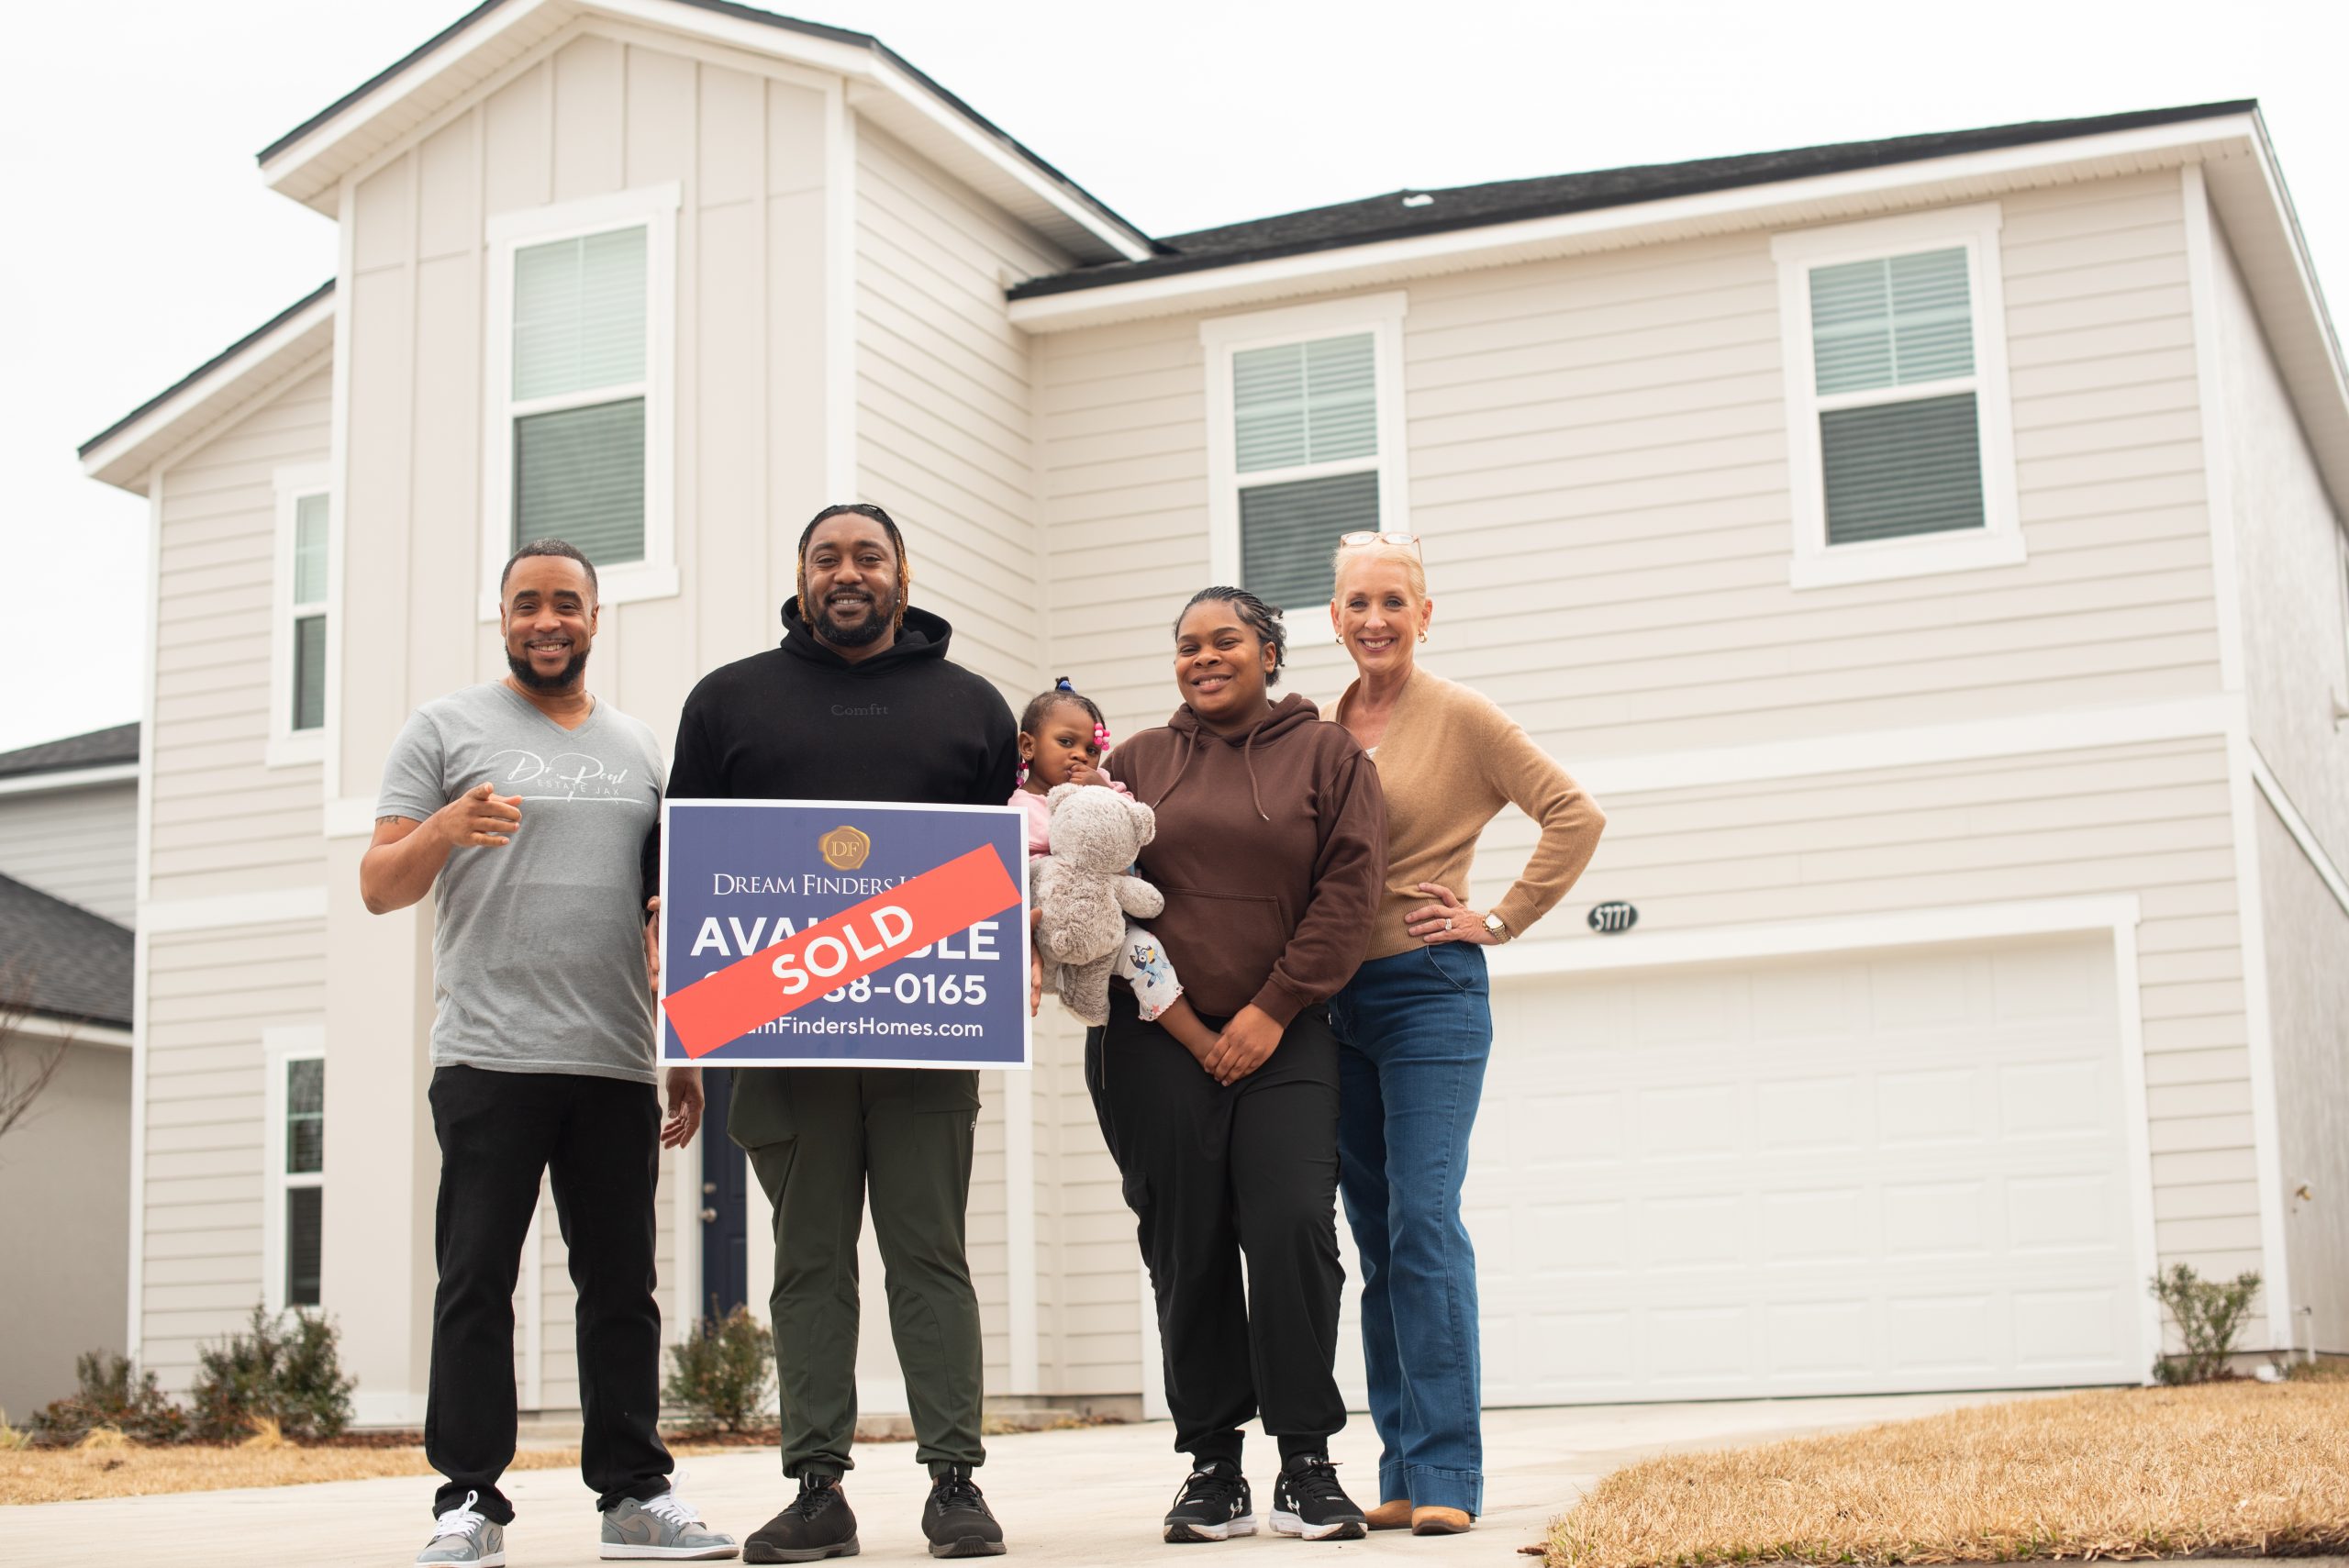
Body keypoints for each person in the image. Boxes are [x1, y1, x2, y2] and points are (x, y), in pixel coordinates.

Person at [362, 539, 735, 1566]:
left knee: (621, 1290)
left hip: (614, 1056)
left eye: (565, 602)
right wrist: (445, 824)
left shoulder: (639, 746)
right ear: (503, 617)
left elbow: (671, 907)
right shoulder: (443, 728)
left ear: (595, 617)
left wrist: (683, 1045)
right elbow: (380, 883)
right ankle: (468, 1502)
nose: (546, 620)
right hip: (487, 1055)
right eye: (527, 602)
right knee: (475, 1281)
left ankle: (635, 1497)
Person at [660, 503, 1019, 1564]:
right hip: (779, 1034)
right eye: (827, 557)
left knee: (929, 1254)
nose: (846, 572)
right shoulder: (727, 701)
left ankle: (954, 1482)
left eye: (868, 555)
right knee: (807, 1262)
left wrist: (1025, 942)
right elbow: (679, 874)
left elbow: (1012, 865)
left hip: (924, 1037)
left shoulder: (971, 706)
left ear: (901, 573)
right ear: (802, 574)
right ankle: (817, 1489)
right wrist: (685, 1036)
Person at [1088, 586, 1387, 1546]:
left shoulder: (1328, 754)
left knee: (1292, 1224)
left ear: (1269, 652)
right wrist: (1186, 1025)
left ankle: (1306, 1460)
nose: (1203, 657)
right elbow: (1093, 888)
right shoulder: (1136, 763)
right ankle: (1213, 1466)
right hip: (1152, 1034)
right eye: (1187, 645)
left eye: (1225, 641)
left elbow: (1350, 890)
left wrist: (1272, 1007)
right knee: (1188, 1241)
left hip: (1286, 1029)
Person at [1323, 531, 1607, 1536]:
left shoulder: (1462, 715)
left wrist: (1500, 916)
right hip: (1333, 1004)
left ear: (1425, 613)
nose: (1376, 619)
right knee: (1373, 1235)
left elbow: (1574, 814)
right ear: (1334, 618)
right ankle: (1402, 1467)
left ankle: (1448, 1468)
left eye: (1393, 601)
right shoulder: (1320, 726)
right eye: (1359, 603)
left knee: (1423, 1220)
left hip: (1428, 991)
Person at [1010, 679, 1216, 1058]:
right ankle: (1196, 1039)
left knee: (1147, 954)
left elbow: (1130, 820)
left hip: (1111, 917)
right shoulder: (1018, 807)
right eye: (1066, 742)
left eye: (1091, 749)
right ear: (1028, 746)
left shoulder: (1102, 786)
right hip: (1056, 925)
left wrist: (1100, 789)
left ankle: (1193, 1037)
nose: (1080, 756)